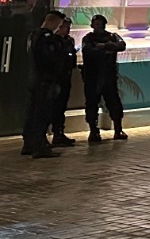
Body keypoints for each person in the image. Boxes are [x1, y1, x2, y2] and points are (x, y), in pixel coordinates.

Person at [21, 10, 69, 159]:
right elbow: (51, 59)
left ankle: (29, 143)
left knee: (32, 112)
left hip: (35, 79)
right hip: (45, 81)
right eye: (59, 25)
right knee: (42, 113)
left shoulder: (33, 35)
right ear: (53, 22)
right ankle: (39, 146)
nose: (59, 28)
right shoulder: (47, 38)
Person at [80, 14, 128, 141]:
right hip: (93, 77)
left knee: (114, 104)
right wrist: (105, 50)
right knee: (91, 104)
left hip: (108, 76)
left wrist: (105, 46)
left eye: (100, 24)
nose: (98, 26)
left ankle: (118, 129)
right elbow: (87, 51)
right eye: (96, 24)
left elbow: (121, 45)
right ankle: (93, 131)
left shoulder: (112, 36)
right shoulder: (88, 38)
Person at [49, 16, 78, 148]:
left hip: (66, 76)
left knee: (61, 106)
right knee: (52, 106)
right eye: (65, 27)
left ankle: (59, 133)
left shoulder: (69, 41)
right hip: (55, 78)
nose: (67, 30)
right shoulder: (52, 41)